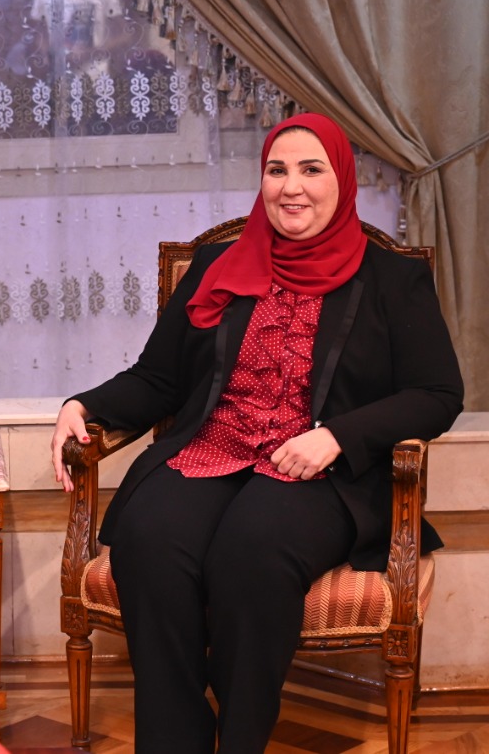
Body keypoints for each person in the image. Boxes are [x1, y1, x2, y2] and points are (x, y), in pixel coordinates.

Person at [50, 113, 463, 753]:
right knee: (149, 540)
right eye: (276, 170)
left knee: (252, 552)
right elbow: (158, 378)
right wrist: (81, 403)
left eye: (311, 169)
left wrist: (338, 436)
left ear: (341, 180)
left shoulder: (391, 277)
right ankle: (176, 741)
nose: (290, 187)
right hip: (213, 449)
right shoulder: (217, 262)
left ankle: (241, 740)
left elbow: (437, 394)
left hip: (319, 472)